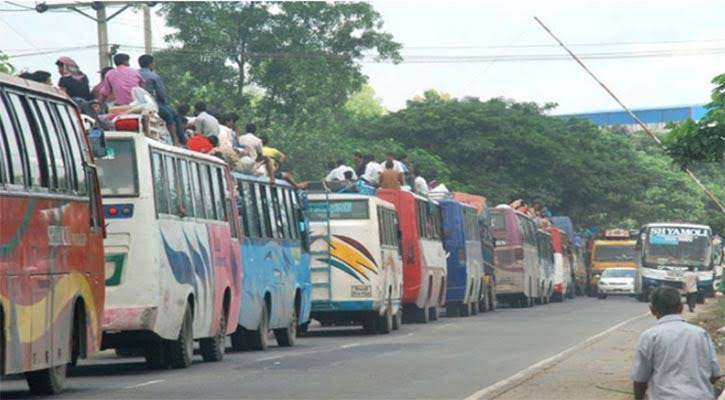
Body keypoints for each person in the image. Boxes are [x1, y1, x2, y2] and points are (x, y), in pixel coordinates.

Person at [631, 286, 721, 400]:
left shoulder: (650, 336)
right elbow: (715, 374)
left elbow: (640, 379)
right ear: (681, 307)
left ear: (652, 310)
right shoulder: (700, 334)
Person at [137, 54, 185, 145]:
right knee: (172, 115)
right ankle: (178, 141)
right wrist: (164, 102)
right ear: (151, 64)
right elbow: (161, 95)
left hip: (135, 102)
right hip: (151, 103)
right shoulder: (154, 76)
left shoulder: (135, 73)